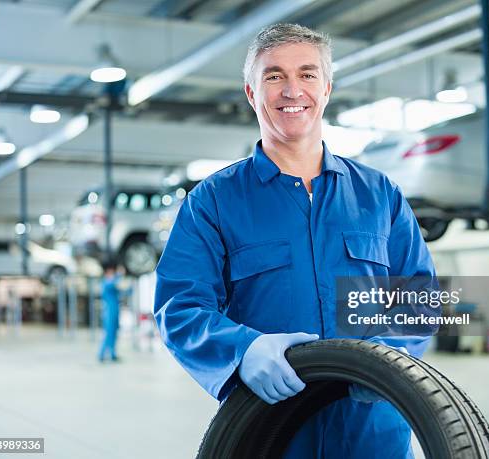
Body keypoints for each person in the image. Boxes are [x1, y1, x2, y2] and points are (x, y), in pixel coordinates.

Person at [154, 23, 437, 458]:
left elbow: (418, 297)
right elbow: (180, 308)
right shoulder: (212, 202)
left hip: (373, 432)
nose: (292, 90)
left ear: (326, 88)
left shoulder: (380, 196)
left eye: (306, 75)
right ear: (252, 93)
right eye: (273, 76)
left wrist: (388, 358)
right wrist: (244, 350)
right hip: (270, 432)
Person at [98, 260, 128, 363]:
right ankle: (101, 354)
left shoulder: (114, 284)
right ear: (106, 273)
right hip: (108, 312)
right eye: (111, 272)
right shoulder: (105, 282)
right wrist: (119, 274)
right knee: (108, 333)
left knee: (115, 333)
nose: (112, 273)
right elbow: (111, 284)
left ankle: (112, 354)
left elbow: (123, 292)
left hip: (115, 311)